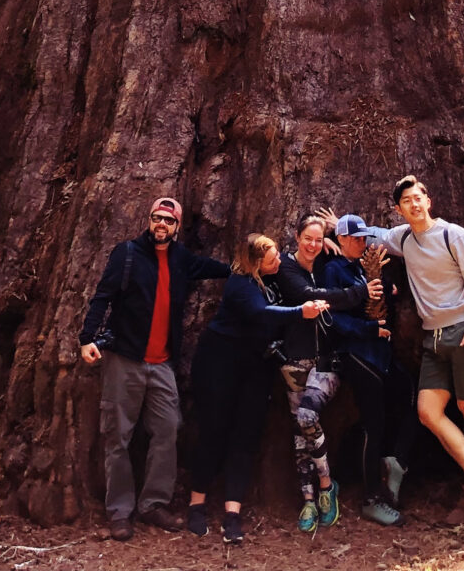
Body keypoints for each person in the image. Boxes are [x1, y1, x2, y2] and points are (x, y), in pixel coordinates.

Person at [79, 197, 230, 541]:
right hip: (125, 359)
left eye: (169, 220)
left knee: (168, 429)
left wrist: (255, 264)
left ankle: (153, 504)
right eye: (156, 218)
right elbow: (102, 296)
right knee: (118, 435)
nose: (162, 224)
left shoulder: (181, 259)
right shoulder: (127, 254)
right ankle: (120, 512)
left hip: (161, 364)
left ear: (177, 227)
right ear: (149, 220)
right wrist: (87, 338)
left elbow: (219, 268)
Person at [184, 234, 331, 545]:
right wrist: (300, 312)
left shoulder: (273, 279)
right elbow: (260, 313)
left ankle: (232, 515)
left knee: (246, 436)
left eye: (277, 256)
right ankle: (196, 505)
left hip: (255, 367)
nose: (278, 261)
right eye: (271, 258)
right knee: (213, 432)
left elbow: (300, 269)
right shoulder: (240, 284)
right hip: (220, 363)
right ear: (254, 262)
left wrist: (329, 245)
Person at [381, 176, 464, 527]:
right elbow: (372, 235)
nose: (414, 204)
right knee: (427, 411)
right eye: (407, 201)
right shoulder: (403, 239)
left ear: (428, 201)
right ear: (399, 209)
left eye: (418, 197)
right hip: (432, 339)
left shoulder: (455, 236)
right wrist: (336, 229)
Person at [273, 208, 379, 533]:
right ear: (296, 237)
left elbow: (345, 259)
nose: (313, 245)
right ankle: (308, 499)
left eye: (318, 240)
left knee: (307, 417)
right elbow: (311, 296)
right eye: (308, 239)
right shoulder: (286, 268)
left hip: (327, 362)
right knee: (299, 434)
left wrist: (333, 236)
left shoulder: (325, 264)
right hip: (295, 360)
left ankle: (326, 485)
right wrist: (360, 292)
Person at [323, 213, 422, 526]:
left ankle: (397, 463)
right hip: (356, 354)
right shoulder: (333, 270)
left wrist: (386, 288)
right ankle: (371, 499)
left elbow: (383, 296)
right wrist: (368, 329)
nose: (361, 243)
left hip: (382, 353)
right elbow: (333, 317)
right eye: (355, 238)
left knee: (411, 396)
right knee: (373, 423)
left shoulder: (362, 267)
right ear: (340, 239)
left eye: (364, 237)